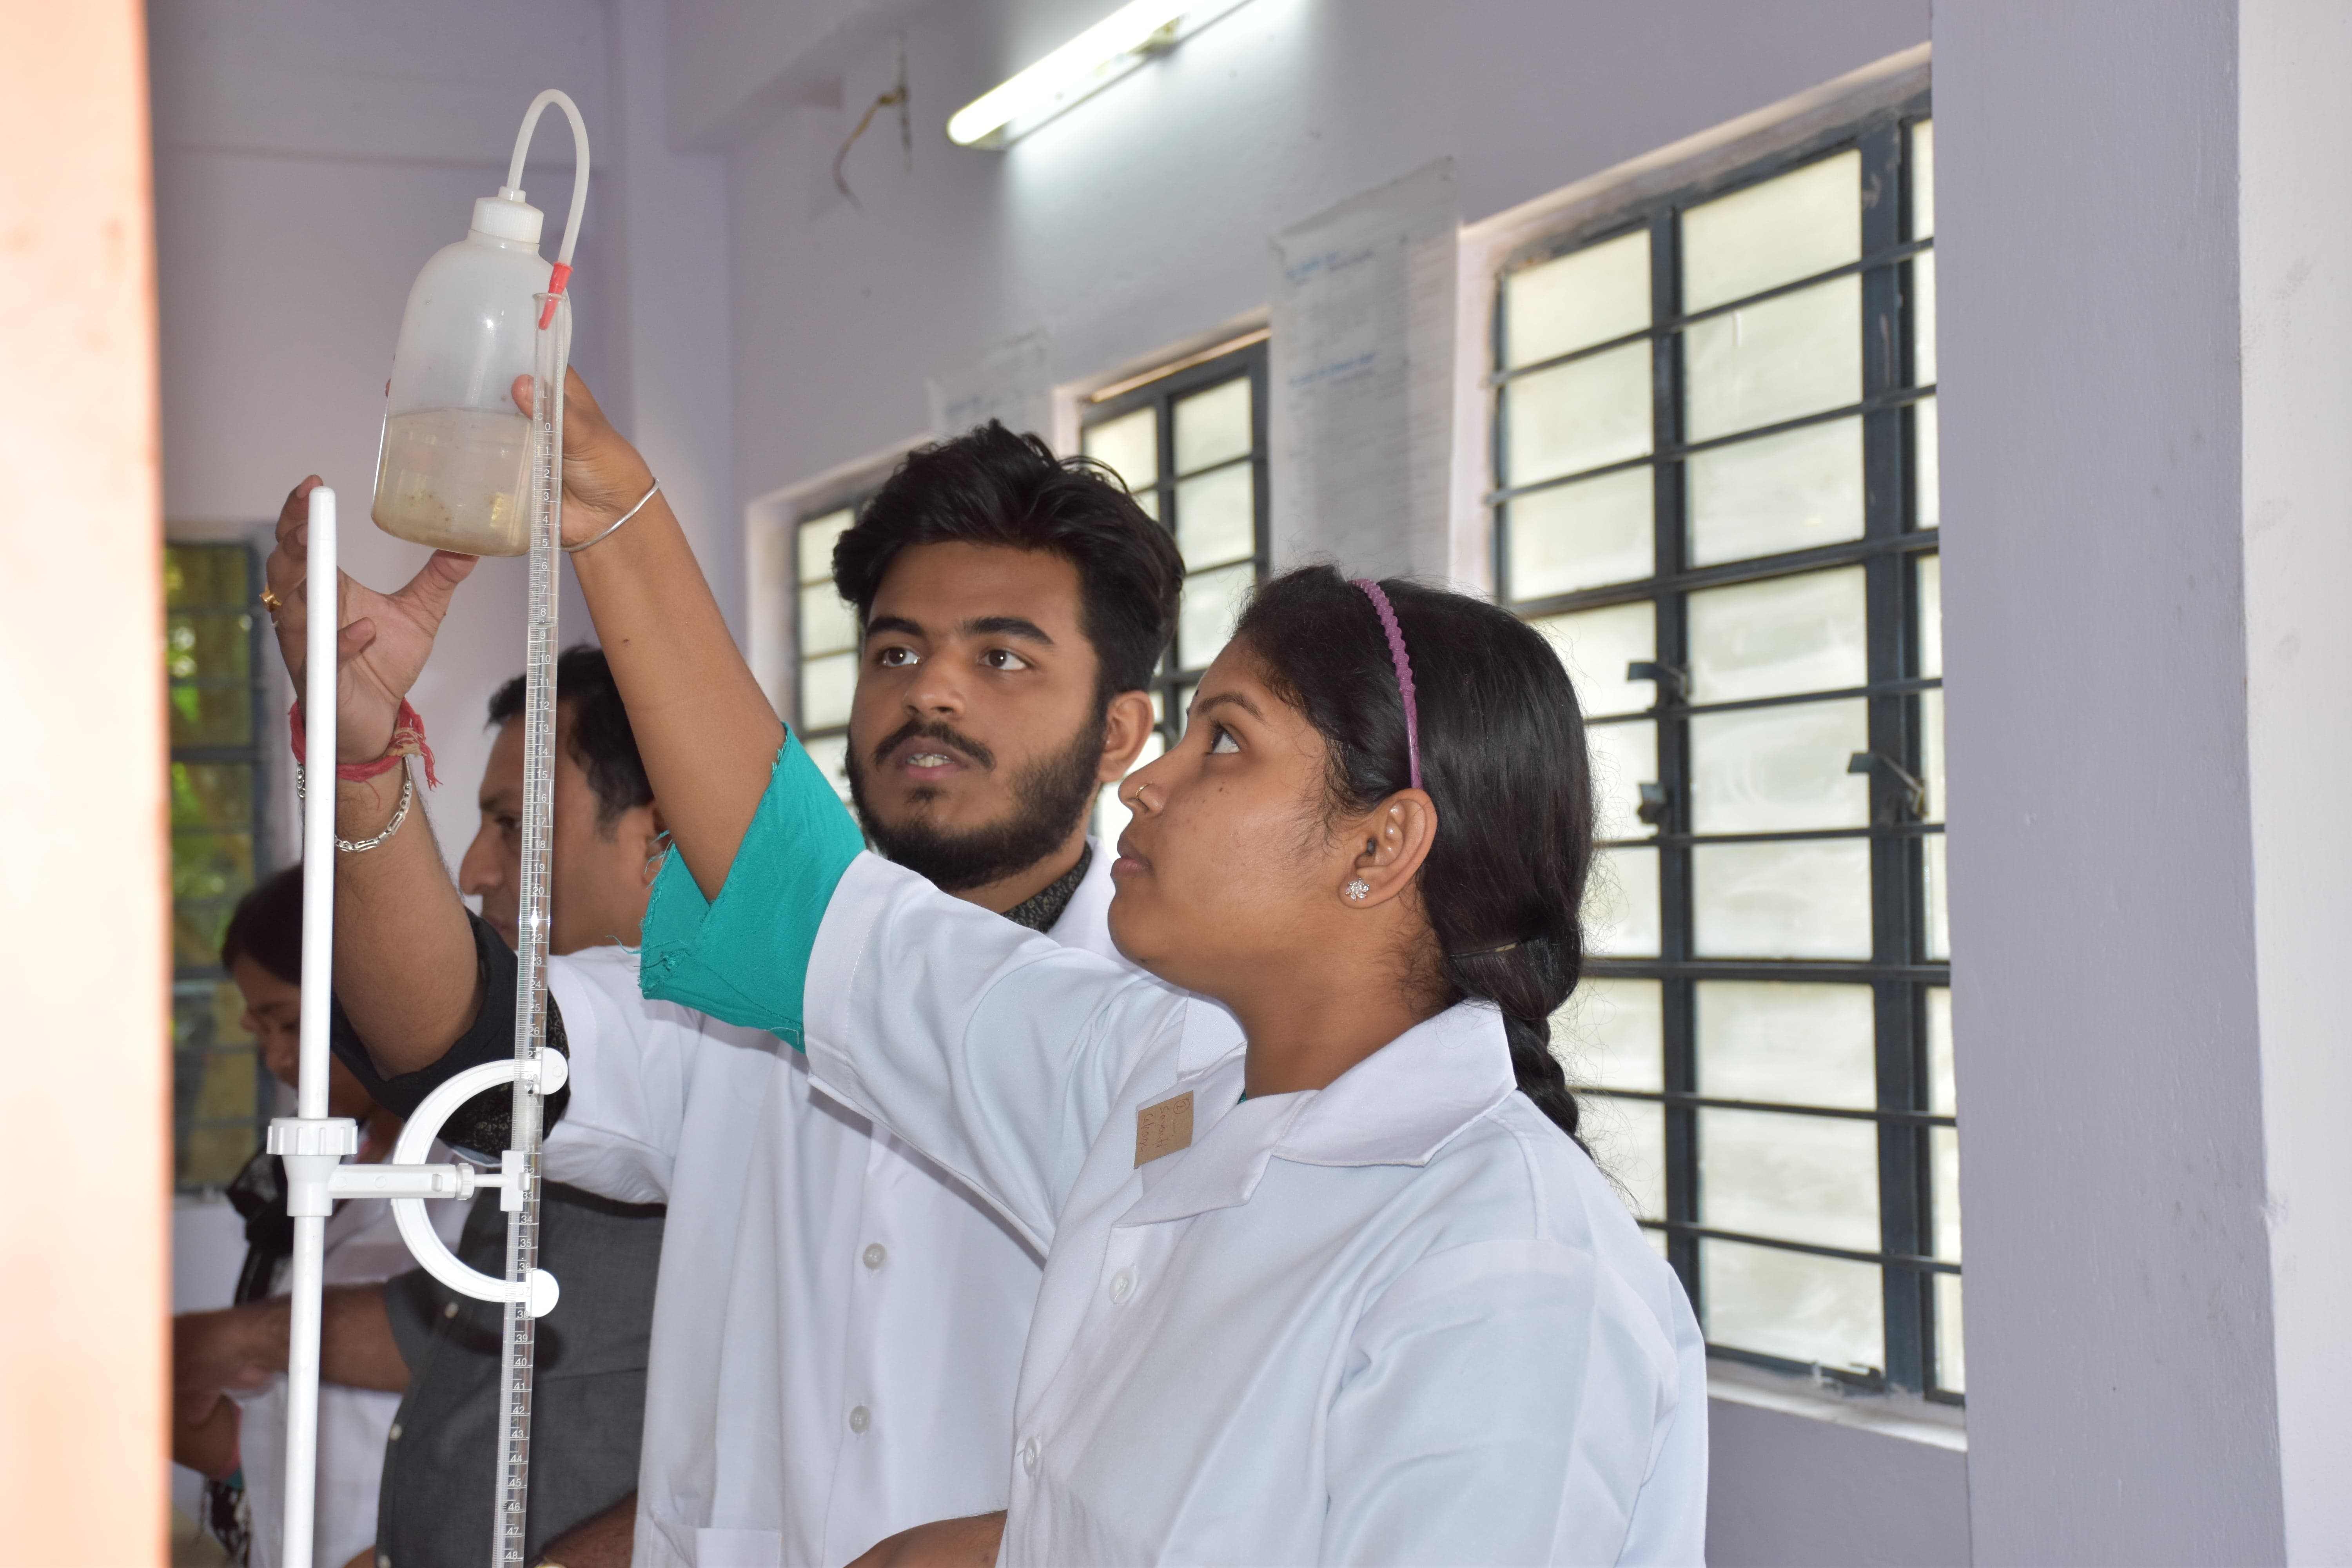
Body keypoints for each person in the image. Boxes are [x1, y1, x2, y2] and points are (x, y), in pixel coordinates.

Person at [265, 382, 1200, 1564]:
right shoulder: (738, 997)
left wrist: (617, 519)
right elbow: (465, 1053)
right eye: (896, 650)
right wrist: (358, 761)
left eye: (1004, 657)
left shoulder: (1179, 1026)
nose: (933, 690)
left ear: (1120, 732)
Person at [623, 563, 1712, 1564]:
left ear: (1382, 845)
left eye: (1224, 743)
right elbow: (817, 909)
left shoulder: (1507, 1272)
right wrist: (614, 523)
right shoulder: (1165, 1080)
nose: (1146, 783)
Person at [175, 649, 669, 1568]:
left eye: (513, 827)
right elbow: (445, 1324)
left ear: (659, 834)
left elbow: (743, 1453)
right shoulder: (548, 1090)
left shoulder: (739, 1072)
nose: (479, 871)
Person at [171, 867, 463, 1568]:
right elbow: (273, 1438)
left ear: (367, 988)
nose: (276, 1058)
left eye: (291, 1024)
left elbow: (463, 1351)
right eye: (260, 1029)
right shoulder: (348, 1167)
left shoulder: (471, 1163)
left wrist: (225, 1340)